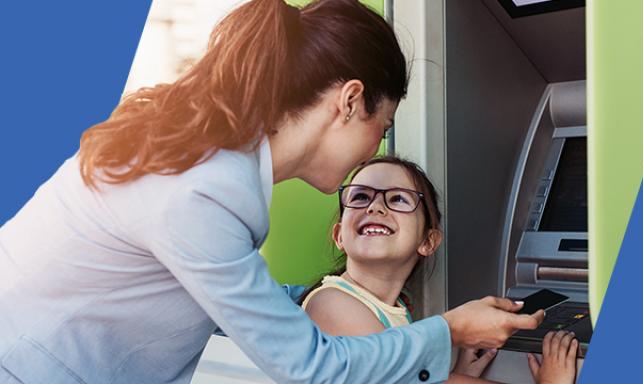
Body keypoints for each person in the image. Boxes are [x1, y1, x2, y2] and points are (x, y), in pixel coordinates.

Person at [0, 1, 544, 383]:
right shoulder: (203, 189)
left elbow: (212, 285)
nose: (378, 150)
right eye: (382, 127)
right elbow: (314, 369)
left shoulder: (206, 158)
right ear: (349, 101)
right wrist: (448, 328)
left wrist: (312, 296)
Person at [300, 156, 578, 384]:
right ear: (339, 236)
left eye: (397, 199)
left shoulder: (393, 308)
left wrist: (461, 375)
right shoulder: (331, 303)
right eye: (360, 197)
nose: (375, 207)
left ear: (428, 241)